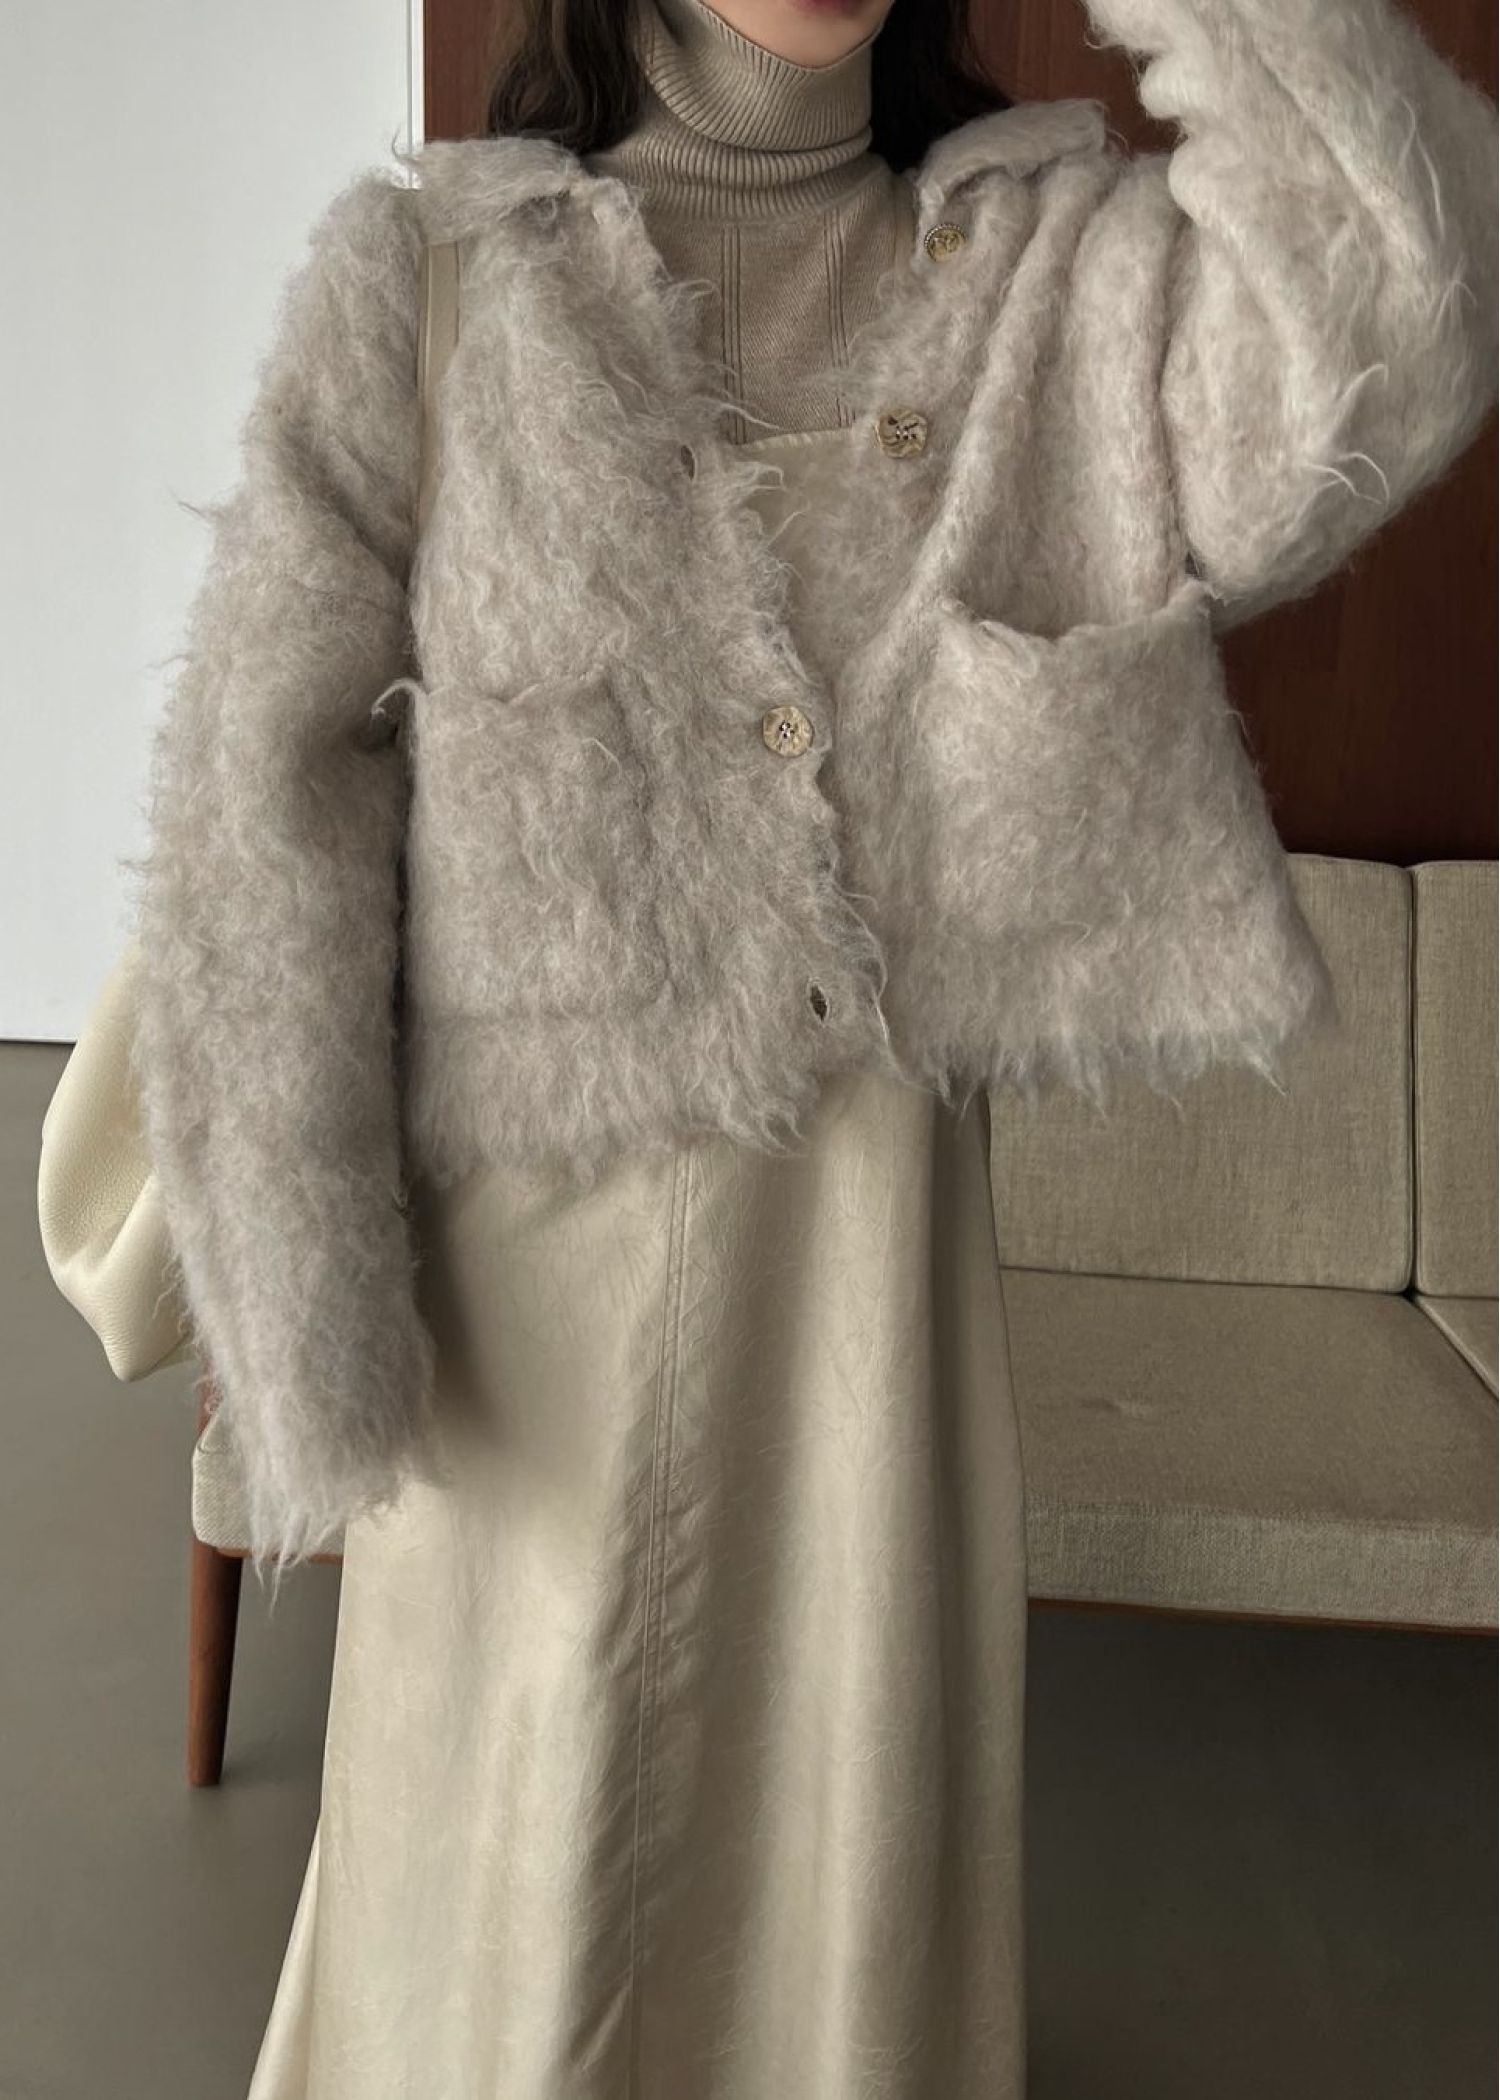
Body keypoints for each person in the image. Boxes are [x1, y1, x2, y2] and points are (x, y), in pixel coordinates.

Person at [127, 0, 1496, 2093]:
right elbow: (263, 815)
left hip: (871, 1275)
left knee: (837, 1849)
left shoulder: (1054, 278)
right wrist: (293, 1279)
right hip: (520, 1311)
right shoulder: (432, 286)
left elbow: (1407, 301)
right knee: (509, 1876)